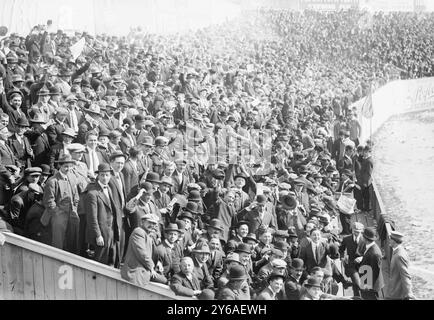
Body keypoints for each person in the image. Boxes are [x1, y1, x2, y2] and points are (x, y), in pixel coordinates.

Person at [41, 154, 80, 253]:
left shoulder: (72, 177)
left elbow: (76, 195)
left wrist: (75, 207)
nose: (68, 169)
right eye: (65, 166)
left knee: (72, 241)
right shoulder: (52, 181)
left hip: (71, 214)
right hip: (58, 216)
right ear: (60, 166)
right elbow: (49, 202)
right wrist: (58, 213)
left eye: (70, 166)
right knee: (58, 243)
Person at [121, 212, 167, 286]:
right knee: (165, 282)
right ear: (142, 222)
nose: (152, 225)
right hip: (136, 271)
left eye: (154, 224)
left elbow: (152, 253)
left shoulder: (148, 235)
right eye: (149, 222)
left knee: (166, 281)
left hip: (144, 269)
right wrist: (151, 267)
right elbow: (142, 253)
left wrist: (157, 263)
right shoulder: (139, 232)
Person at [354, 227, 384, 300]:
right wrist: (363, 259)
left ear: (365, 238)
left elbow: (375, 272)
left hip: (370, 286)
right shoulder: (370, 247)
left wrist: (367, 287)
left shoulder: (374, 254)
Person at [386, 231, 415, 300]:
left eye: (390, 239)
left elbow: (405, 275)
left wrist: (409, 293)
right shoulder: (398, 251)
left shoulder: (399, 255)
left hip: (396, 293)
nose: (389, 240)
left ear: (394, 241)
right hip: (395, 290)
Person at [339, 221, 364, 296]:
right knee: (356, 282)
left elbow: (370, 253)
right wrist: (342, 257)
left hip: (363, 265)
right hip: (351, 264)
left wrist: (362, 258)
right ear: (352, 230)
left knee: (362, 285)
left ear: (362, 231)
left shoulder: (365, 240)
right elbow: (341, 249)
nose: (357, 233)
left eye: (359, 232)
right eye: (355, 231)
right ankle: (357, 296)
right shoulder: (347, 239)